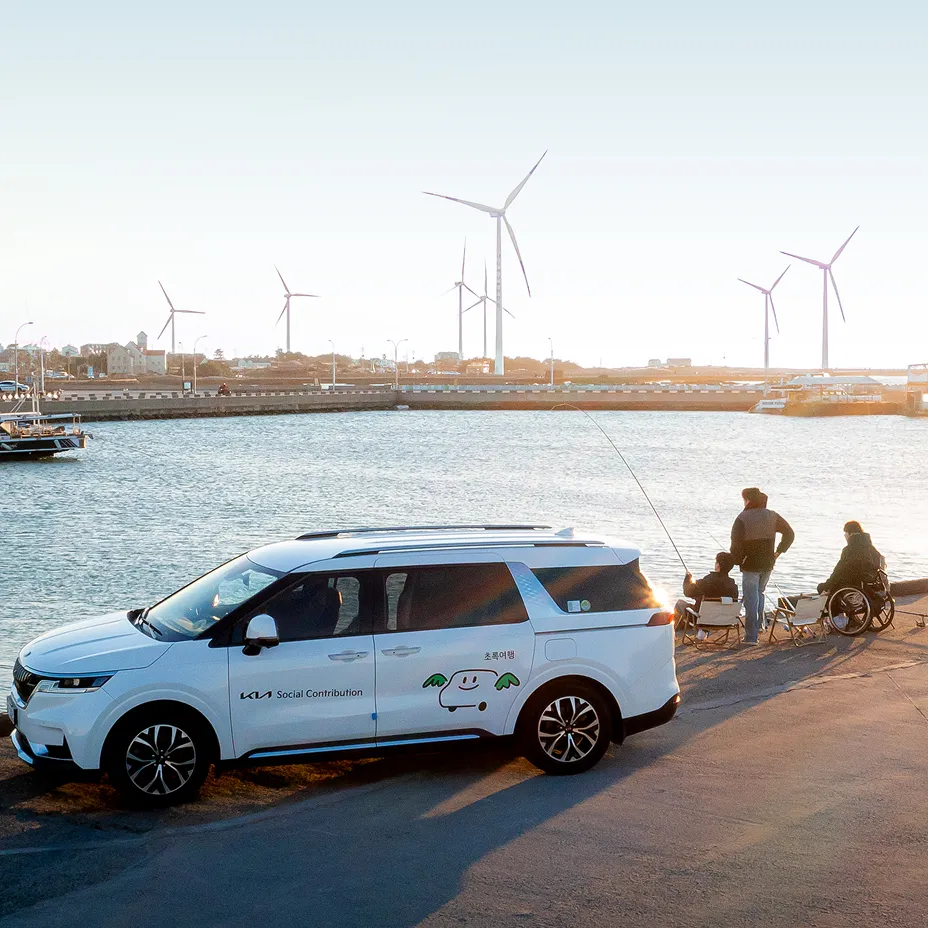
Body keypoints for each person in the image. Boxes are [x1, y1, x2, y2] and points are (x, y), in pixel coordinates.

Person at [730, 487, 794, 646]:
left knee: (751, 599)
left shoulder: (742, 518)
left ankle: (751, 637)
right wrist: (778, 552)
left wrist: (738, 561)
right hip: (768, 562)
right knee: (759, 593)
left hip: (750, 564)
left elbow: (735, 545)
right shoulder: (772, 515)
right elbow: (790, 533)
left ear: (747, 500)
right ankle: (758, 627)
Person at [674, 552, 739, 633]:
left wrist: (687, 579)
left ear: (718, 565)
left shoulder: (708, 581)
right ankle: (701, 633)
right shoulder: (733, 585)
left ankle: (677, 632)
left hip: (703, 620)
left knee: (680, 604)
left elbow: (687, 592)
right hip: (725, 621)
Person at [817, 521, 882, 595]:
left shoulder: (850, 549)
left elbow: (839, 570)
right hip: (869, 580)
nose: (845, 536)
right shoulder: (871, 548)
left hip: (854, 581)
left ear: (851, 533)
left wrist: (827, 584)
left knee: (821, 587)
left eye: (845, 533)